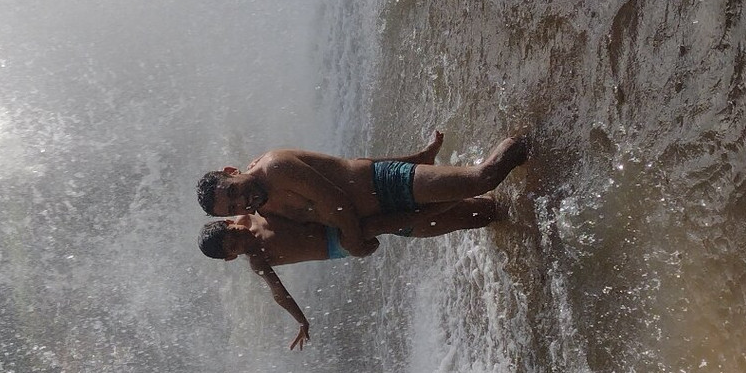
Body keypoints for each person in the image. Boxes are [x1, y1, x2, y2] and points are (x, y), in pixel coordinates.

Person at [198, 196, 503, 350]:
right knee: (403, 222)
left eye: (234, 233)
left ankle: (481, 207)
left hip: (335, 219)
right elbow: (279, 293)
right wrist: (301, 320)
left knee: (406, 219)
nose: (241, 239)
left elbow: (259, 192)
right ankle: (463, 205)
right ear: (230, 257)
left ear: (230, 222)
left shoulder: (249, 213)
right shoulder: (258, 261)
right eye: (234, 247)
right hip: (338, 242)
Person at [196, 132, 528, 258]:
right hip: (390, 220)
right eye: (233, 207)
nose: (241, 201)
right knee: (485, 215)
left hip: (389, 185)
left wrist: (355, 243)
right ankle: (544, 205)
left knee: (483, 177)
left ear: (231, 171)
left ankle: (536, 137)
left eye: (233, 191)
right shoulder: (268, 213)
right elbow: (321, 228)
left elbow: (334, 200)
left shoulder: (275, 167)